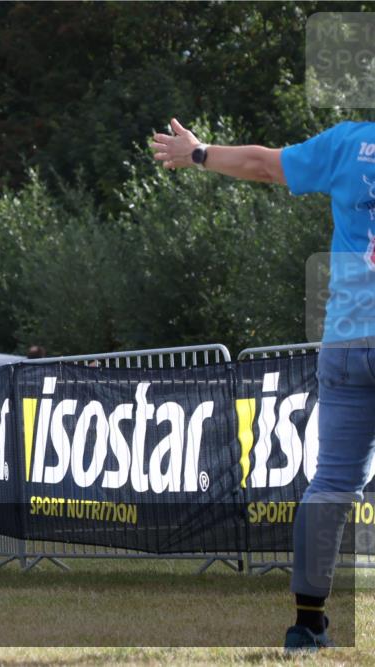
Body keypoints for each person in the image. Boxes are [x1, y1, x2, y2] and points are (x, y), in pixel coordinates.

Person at [152, 118, 375, 650]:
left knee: (331, 485)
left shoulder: (349, 143)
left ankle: (307, 624)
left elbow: (263, 164)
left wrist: (200, 153)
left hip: (348, 341)